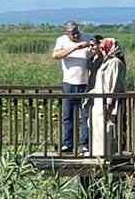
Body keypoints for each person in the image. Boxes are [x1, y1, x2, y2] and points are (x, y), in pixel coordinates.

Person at [51, 22, 95, 154]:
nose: (76, 35)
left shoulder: (88, 37)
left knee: (86, 116)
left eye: (77, 32)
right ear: (66, 33)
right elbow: (56, 56)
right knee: (67, 116)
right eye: (72, 33)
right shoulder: (61, 41)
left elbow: (98, 50)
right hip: (69, 83)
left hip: (86, 83)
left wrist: (93, 48)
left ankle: (85, 144)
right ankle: (67, 144)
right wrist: (76, 47)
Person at [89, 39, 127, 157]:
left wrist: (109, 103)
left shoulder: (115, 63)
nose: (100, 50)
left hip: (106, 102)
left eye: (102, 48)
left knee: (107, 127)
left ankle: (106, 153)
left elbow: (113, 84)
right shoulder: (107, 62)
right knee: (98, 127)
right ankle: (98, 152)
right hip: (99, 101)